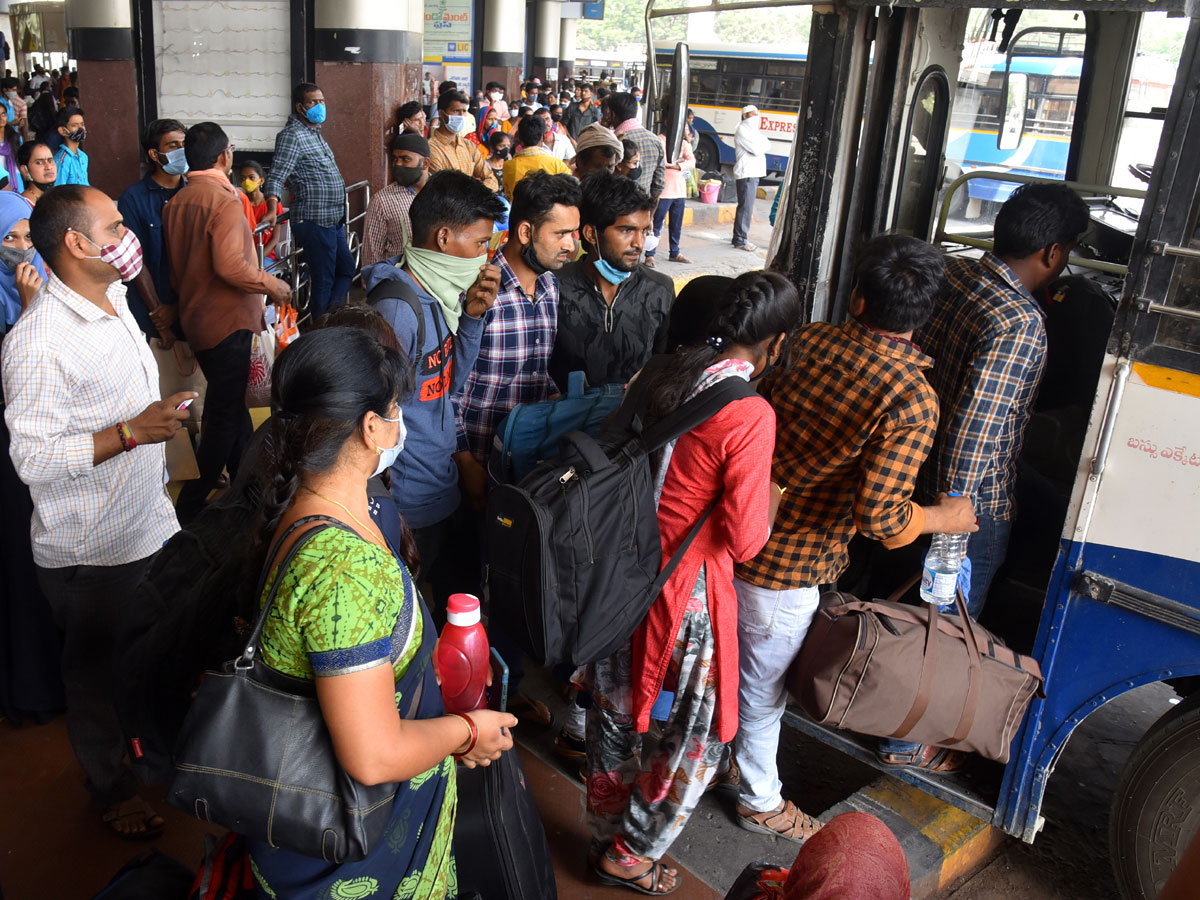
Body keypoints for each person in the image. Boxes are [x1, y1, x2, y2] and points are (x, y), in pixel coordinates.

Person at [245, 326, 516, 899]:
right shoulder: (342, 568)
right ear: (371, 427)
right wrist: (467, 732)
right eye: (396, 409)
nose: (401, 422)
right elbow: (373, 756)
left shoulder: (309, 506)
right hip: (346, 848)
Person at [732, 235, 978, 833]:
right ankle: (759, 803)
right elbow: (883, 521)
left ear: (859, 298)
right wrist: (949, 518)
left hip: (730, 536)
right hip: (788, 570)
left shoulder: (806, 341)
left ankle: (714, 764)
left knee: (724, 670)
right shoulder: (912, 399)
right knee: (763, 697)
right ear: (927, 315)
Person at [579, 271, 800, 895]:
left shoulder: (662, 373)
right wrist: (773, 498)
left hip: (621, 574)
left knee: (615, 712)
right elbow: (746, 537)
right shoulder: (750, 414)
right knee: (699, 737)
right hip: (687, 593)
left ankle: (604, 834)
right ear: (775, 343)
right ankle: (630, 852)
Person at [3, 184, 196, 838]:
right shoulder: (37, 341)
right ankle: (109, 785)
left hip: (148, 523)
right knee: (96, 679)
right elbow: (32, 459)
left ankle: (152, 753)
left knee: (147, 658)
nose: (127, 232)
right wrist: (132, 433)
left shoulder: (112, 297)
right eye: (114, 224)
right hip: (93, 553)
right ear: (77, 243)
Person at [360, 170, 504, 618]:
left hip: (440, 485)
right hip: (408, 499)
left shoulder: (442, 297)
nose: (485, 257)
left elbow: (446, 385)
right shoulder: (396, 310)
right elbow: (375, 419)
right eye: (480, 243)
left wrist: (473, 319)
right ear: (444, 237)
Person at [164, 122, 292, 524]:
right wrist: (274, 284)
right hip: (226, 321)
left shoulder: (178, 201)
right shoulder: (223, 199)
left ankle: (247, 487)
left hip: (198, 319)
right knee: (222, 415)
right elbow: (230, 266)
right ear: (225, 157)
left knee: (232, 408)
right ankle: (193, 500)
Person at [550, 172, 673, 390]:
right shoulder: (554, 288)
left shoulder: (659, 289)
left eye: (644, 231)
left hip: (630, 420)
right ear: (591, 234)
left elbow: (664, 369)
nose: (639, 243)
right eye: (627, 230)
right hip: (565, 420)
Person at [262, 82, 354, 320]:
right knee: (324, 280)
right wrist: (272, 207)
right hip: (313, 219)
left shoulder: (314, 133)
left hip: (333, 219)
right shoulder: (292, 136)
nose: (320, 106)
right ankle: (321, 330)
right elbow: (276, 175)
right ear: (300, 107)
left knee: (346, 269)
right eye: (313, 102)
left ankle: (331, 320)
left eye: (322, 101)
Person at [117, 118, 188, 344]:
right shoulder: (133, 198)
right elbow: (136, 261)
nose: (182, 151)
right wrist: (160, 315)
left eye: (185, 144)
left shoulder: (196, 193)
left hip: (192, 308)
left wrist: (178, 308)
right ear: (155, 155)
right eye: (173, 146)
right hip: (152, 311)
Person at [362, 133, 430, 268]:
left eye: (405, 159)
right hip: (398, 280)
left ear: (425, 163)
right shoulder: (382, 200)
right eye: (395, 159)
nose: (398, 164)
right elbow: (372, 250)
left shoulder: (442, 192)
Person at [428, 90, 499, 191]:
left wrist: (476, 194)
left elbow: (491, 179)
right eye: (456, 111)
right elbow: (447, 190)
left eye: (464, 111)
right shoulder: (432, 149)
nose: (461, 116)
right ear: (441, 114)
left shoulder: (468, 145)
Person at [645, 132, 694, 267]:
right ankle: (650, 255)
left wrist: (674, 165)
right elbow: (660, 161)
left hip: (679, 192)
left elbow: (692, 161)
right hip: (663, 192)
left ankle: (674, 252)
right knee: (656, 225)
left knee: (676, 226)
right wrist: (678, 163)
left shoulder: (683, 143)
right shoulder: (659, 140)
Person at [603, 91, 664, 201]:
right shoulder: (655, 140)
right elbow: (658, 185)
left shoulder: (614, 142)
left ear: (613, 114)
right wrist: (649, 215)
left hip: (617, 210)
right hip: (643, 210)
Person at [502, 115, 570, 197]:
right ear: (543, 137)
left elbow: (508, 194)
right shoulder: (557, 164)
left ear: (519, 138)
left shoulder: (508, 166)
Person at [733, 105, 769, 252]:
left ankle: (739, 237)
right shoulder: (742, 130)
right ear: (747, 116)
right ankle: (740, 239)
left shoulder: (754, 132)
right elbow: (757, 149)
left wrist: (761, 144)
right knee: (745, 207)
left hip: (753, 173)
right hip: (746, 173)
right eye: (754, 115)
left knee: (747, 206)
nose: (757, 118)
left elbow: (767, 143)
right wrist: (761, 144)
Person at [53, 106, 88, 186]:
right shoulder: (61, 160)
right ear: (62, 131)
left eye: (82, 124)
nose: (81, 129)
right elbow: (58, 191)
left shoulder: (83, 156)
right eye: (74, 125)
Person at [17, 141, 54, 206]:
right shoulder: (22, 205)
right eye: (39, 162)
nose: (49, 167)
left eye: (50, 160)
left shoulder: (58, 198)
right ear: (25, 170)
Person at [486, 130, 513, 198]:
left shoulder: (510, 164)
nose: (506, 149)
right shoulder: (485, 165)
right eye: (502, 146)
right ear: (492, 148)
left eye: (508, 146)